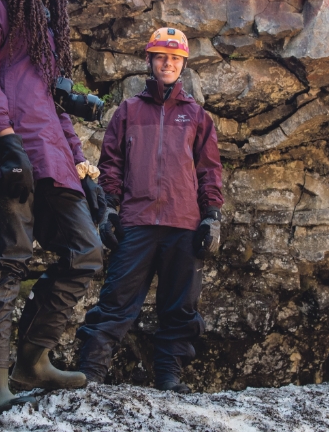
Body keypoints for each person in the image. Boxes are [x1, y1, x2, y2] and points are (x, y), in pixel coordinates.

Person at [0, 0, 104, 417]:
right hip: (9, 152)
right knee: (10, 256)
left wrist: (83, 167)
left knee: (85, 253)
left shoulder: (46, 25)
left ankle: (32, 359)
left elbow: (53, 104)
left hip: (52, 157)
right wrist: (6, 141)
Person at [75, 27, 224, 393]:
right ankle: (89, 374)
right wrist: (107, 210)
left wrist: (211, 216)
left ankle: (168, 379)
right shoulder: (128, 111)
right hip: (137, 222)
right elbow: (110, 164)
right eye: (161, 57)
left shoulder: (197, 117)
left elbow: (209, 170)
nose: (167, 63)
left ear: (183, 64)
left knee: (180, 308)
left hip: (184, 225)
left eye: (174, 58)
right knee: (115, 302)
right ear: (150, 61)